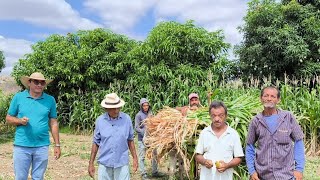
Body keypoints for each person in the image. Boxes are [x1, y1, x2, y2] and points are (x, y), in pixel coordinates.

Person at [6, 72, 61, 180]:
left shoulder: (50, 100)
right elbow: (8, 118)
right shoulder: (18, 97)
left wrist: (57, 145)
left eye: (42, 82)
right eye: (36, 82)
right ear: (29, 83)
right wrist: (20, 121)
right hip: (22, 146)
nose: (39, 85)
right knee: (21, 177)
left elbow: (53, 122)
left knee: (38, 177)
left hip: (42, 146)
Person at [246, 86, 305, 180]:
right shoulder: (256, 121)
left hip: (286, 175)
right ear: (261, 98)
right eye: (266, 96)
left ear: (278, 100)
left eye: (273, 96)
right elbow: (249, 146)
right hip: (262, 175)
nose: (269, 99)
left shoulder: (288, 117)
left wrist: (299, 169)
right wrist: (252, 171)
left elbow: (299, 141)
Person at [88, 93, 138, 180]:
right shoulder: (100, 121)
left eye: (118, 107)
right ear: (106, 109)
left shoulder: (126, 119)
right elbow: (96, 143)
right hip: (105, 163)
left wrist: (135, 158)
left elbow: (130, 140)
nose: (116, 110)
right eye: (113, 108)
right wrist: (91, 163)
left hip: (122, 163)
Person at [195, 101, 244, 180]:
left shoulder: (233, 134)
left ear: (226, 116)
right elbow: (197, 155)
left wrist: (227, 165)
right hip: (207, 177)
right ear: (210, 116)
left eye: (220, 116)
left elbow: (239, 158)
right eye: (213, 116)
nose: (217, 119)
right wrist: (204, 162)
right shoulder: (204, 133)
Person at [135, 98, 164, 179]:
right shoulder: (138, 115)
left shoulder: (151, 114)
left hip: (151, 139)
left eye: (147, 105)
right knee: (142, 157)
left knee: (154, 155)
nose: (146, 107)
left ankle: (155, 171)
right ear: (141, 106)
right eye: (144, 106)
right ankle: (143, 173)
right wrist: (145, 133)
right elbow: (136, 128)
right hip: (142, 139)